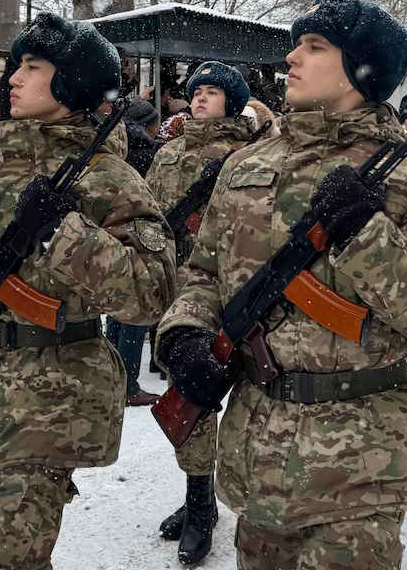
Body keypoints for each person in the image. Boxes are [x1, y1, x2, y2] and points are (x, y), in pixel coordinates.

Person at [158, 0, 407, 570]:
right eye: (296, 44)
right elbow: (204, 272)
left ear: (360, 69)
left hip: (360, 459)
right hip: (258, 444)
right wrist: (185, 332)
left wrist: (366, 232)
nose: (291, 58)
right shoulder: (246, 165)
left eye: (313, 47)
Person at [0, 13, 175, 570]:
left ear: (70, 84)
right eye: (18, 66)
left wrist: (63, 233)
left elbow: (151, 292)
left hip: (57, 395)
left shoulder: (108, 177)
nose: (13, 78)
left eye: (33, 68)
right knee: (18, 551)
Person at [145, 60, 259, 565]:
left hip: (231, 296)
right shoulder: (166, 156)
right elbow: (145, 216)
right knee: (189, 396)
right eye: (195, 92)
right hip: (177, 296)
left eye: (211, 92)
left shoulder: (249, 157)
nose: (199, 99)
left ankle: (249, 499)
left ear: (232, 104)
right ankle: (199, 502)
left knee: (247, 399)